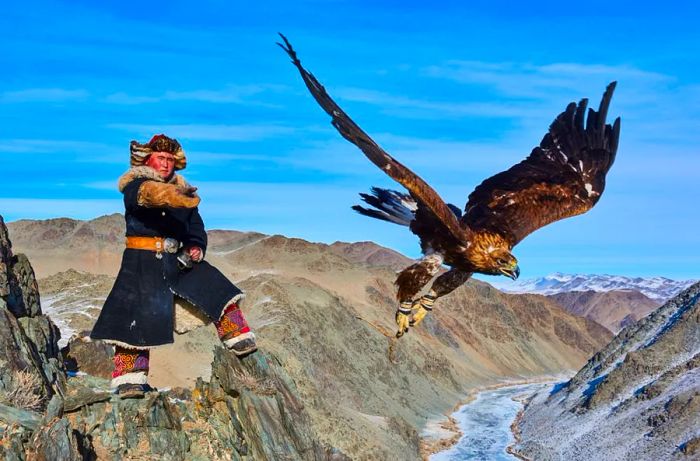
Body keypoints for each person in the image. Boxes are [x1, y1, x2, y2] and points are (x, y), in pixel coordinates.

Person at [91, 134, 256, 398]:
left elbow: (196, 227)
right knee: (133, 320)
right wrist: (174, 194)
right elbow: (150, 196)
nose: (166, 164)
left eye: (169, 159)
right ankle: (129, 379)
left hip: (177, 260)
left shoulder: (186, 192)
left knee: (217, 288)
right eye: (160, 158)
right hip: (140, 264)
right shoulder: (136, 186)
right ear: (148, 159)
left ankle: (237, 337)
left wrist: (195, 246)